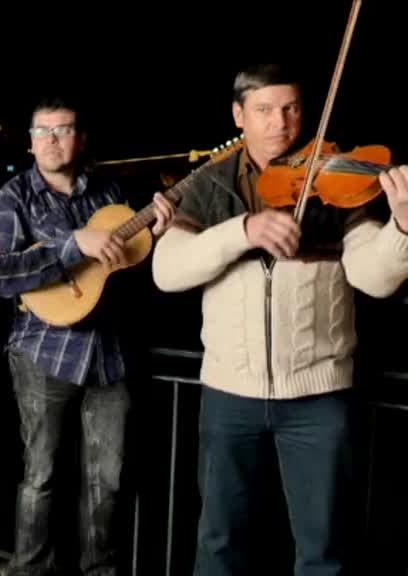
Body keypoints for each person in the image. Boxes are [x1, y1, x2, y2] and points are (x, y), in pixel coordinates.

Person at [151, 63, 408, 575]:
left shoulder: (335, 179)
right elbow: (167, 270)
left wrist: (403, 227)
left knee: (324, 549)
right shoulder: (210, 182)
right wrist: (244, 230)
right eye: (264, 110)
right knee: (220, 542)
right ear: (239, 115)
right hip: (229, 394)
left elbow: (375, 278)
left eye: (290, 108)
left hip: (319, 397)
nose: (280, 123)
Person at [0, 97, 175, 576]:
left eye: (63, 129)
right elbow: (1, 275)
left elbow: (126, 267)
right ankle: (29, 570)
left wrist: (161, 231)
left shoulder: (110, 193)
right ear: (29, 142)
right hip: (42, 351)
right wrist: (73, 244)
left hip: (111, 352)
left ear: (81, 138)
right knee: (41, 475)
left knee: (108, 479)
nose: (52, 139)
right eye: (43, 131)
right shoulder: (13, 197)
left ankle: (100, 571)